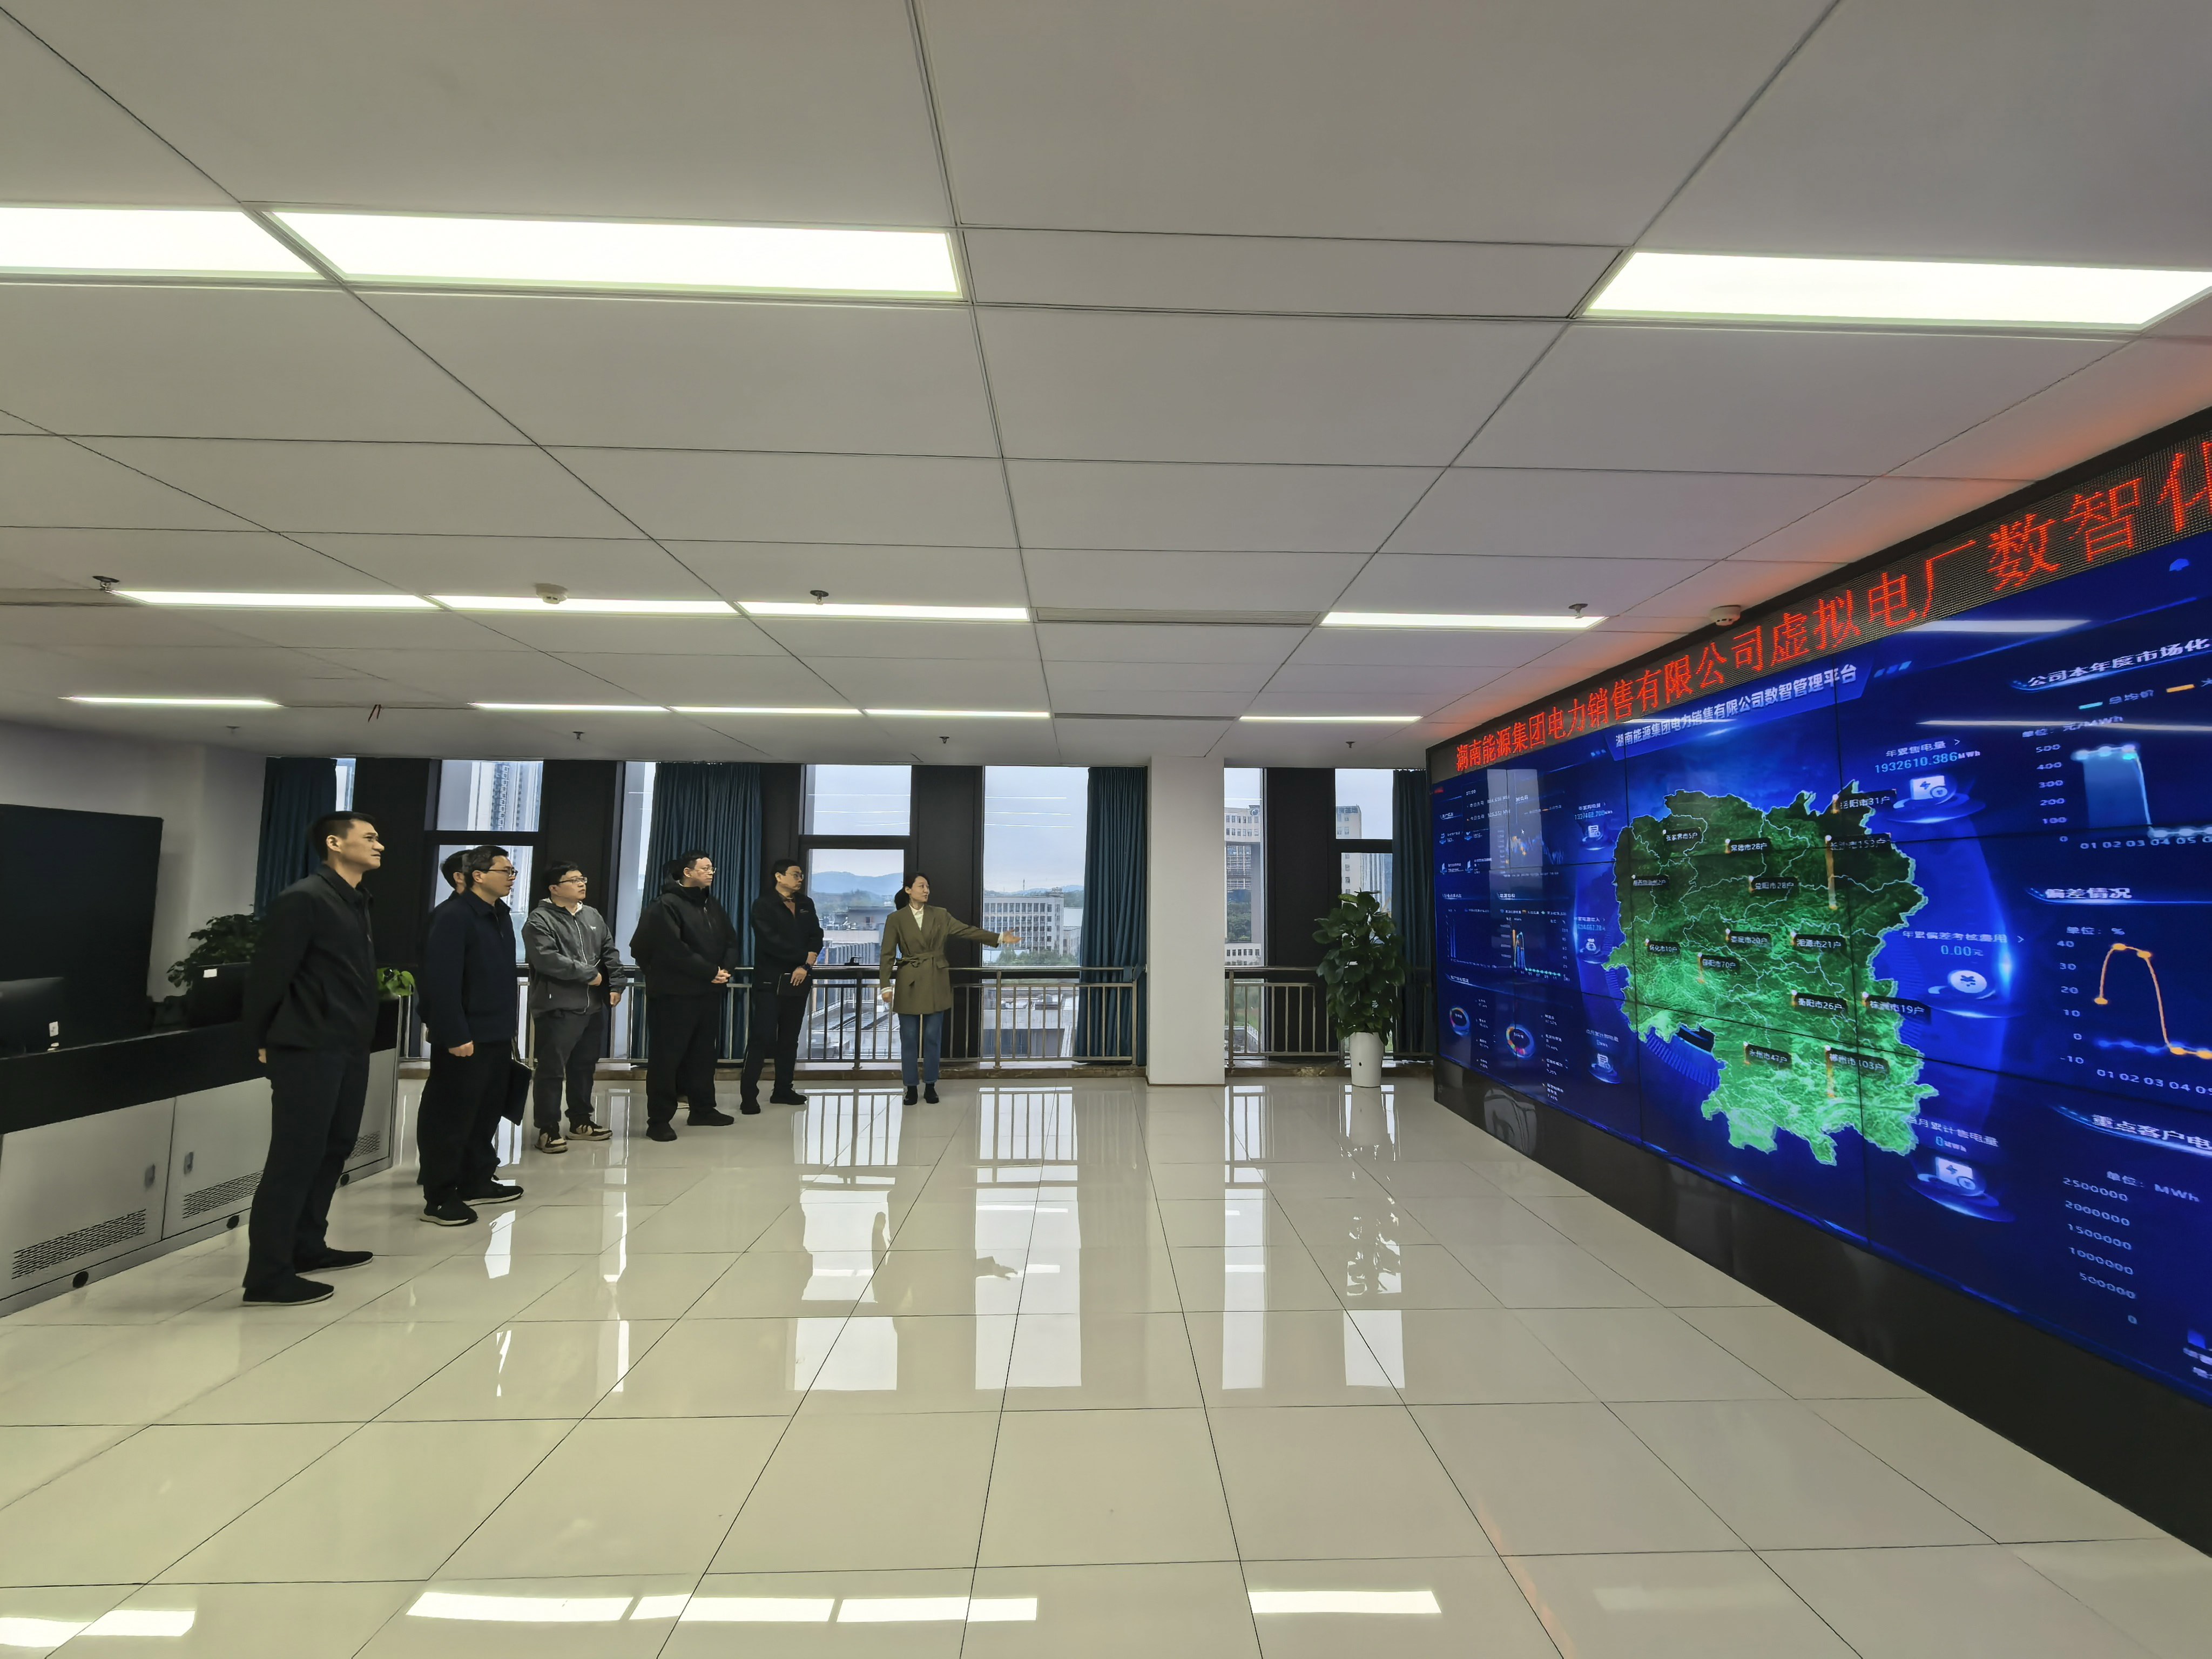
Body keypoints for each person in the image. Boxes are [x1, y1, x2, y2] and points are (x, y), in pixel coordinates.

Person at [238, 811, 385, 1305]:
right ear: (335, 844)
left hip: (347, 1044)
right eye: (369, 838)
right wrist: (261, 1037)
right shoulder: (305, 898)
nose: (379, 845)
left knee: (334, 1146)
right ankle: (267, 1274)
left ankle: (306, 1246)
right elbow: (269, 975)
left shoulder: (356, 900)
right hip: (307, 1045)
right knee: (295, 1157)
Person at [416, 844, 525, 1224]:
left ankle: (476, 1180)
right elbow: (441, 982)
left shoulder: (500, 915)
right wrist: (454, 1033)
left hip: (496, 1032)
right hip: (465, 1036)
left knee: (486, 1112)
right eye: (505, 871)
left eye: (512, 872)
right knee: (451, 1116)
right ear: (478, 876)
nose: (511, 878)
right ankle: (439, 1195)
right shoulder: (453, 917)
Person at [877, 872, 1017, 1105]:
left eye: (928, 886)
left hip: (936, 978)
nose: (926, 890)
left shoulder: (940, 914)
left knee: (933, 1037)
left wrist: (1000, 938)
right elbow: (887, 955)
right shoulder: (896, 919)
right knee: (909, 1038)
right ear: (908, 890)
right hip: (909, 980)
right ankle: (910, 1087)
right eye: (921, 886)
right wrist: (885, 986)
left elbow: (967, 931)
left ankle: (931, 1084)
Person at [630, 849, 739, 1142]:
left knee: (703, 1054)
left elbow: (731, 940)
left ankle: (703, 1109)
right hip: (674, 994)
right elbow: (671, 949)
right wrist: (709, 971)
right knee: (667, 1058)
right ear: (688, 872)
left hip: (708, 992)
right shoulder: (665, 905)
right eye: (705, 868)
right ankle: (659, 1120)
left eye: (712, 868)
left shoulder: (711, 903)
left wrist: (725, 970)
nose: (711, 872)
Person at [522, 860, 621, 1151]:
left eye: (583, 879)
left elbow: (609, 951)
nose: (581, 884)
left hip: (592, 1006)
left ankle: (581, 1121)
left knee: (584, 1067)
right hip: (558, 1006)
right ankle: (548, 1128)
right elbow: (547, 959)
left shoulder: (592, 915)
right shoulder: (540, 920)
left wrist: (616, 984)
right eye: (573, 880)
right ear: (554, 888)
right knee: (552, 1070)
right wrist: (589, 974)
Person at [742, 857, 822, 1113]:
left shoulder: (806, 903)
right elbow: (770, 942)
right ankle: (749, 1095)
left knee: (789, 1039)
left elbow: (816, 935)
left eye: (801, 875)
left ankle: (783, 1089)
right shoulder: (764, 904)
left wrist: (806, 965)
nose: (800, 879)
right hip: (771, 981)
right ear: (779, 877)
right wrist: (803, 958)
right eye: (795, 875)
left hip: (799, 980)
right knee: (761, 1038)